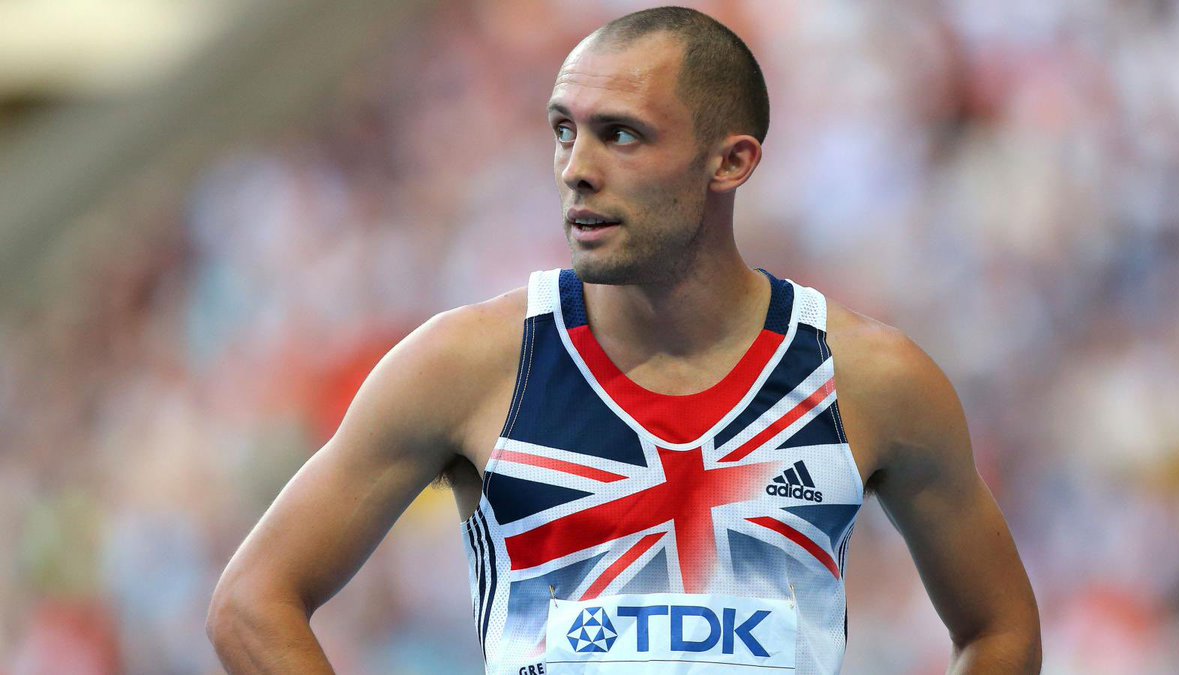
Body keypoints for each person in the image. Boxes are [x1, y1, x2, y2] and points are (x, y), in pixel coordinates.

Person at [207, 6, 1041, 674]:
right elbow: (252, 600)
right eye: (565, 129)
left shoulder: (871, 379)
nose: (577, 167)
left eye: (622, 134)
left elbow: (1001, 628)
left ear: (732, 162)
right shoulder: (464, 367)